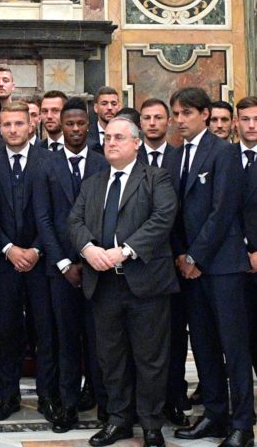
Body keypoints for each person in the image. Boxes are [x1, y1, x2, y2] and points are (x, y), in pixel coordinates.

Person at [69, 117, 178, 447]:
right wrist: (89, 250)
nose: (111, 143)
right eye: (107, 138)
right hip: (104, 284)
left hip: (146, 283)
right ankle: (119, 420)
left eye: (119, 137)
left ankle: (151, 423)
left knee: (150, 358)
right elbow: (74, 221)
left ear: (136, 143)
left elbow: (162, 219)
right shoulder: (93, 182)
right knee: (111, 357)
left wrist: (125, 251)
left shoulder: (156, 177)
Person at [164, 88, 253, 447]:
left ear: (204, 114)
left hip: (222, 266)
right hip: (188, 268)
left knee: (234, 347)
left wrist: (194, 258)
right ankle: (215, 415)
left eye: (186, 113)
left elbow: (223, 210)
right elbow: (170, 212)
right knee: (202, 345)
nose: (179, 120)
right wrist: (180, 255)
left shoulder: (224, 152)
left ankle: (243, 424)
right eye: (176, 114)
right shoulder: (174, 156)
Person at [34, 98, 109, 432]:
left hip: (98, 267)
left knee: (100, 340)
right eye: (70, 124)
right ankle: (67, 406)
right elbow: (43, 218)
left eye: (81, 124)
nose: (75, 129)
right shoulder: (46, 165)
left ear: (88, 126)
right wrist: (64, 263)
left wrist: (91, 258)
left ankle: (105, 404)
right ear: (60, 126)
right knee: (66, 340)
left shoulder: (102, 163)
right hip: (60, 270)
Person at [0, 102, 56, 422]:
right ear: (0, 128)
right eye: (7, 124)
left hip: (41, 262)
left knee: (45, 330)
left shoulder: (50, 162)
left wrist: (37, 249)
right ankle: (8, 395)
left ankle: (48, 396)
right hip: (4, 262)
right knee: (5, 331)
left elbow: (57, 211)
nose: (12, 130)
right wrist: (9, 248)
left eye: (18, 123)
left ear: (31, 125)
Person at [138, 97, 189, 426]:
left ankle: (174, 397)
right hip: (139, 262)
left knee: (175, 335)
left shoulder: (180, 157)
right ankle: (141, 402)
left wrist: (181, 252)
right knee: (143, 340)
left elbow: (183, 213)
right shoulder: (130, 157)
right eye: (147, 118)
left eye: (159, 117)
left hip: (176, 261)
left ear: (168, 121)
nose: (153, 123)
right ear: (140, 123)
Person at [235, 97, 257, 378]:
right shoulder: (224, 157)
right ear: (236, 123)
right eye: (246, 119)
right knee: (242, 336)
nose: (251, 125)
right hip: (233, 261)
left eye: (256, 120)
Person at [88, 87, 121, 154]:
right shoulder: (86, 135)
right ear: (96, 108)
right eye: (104, 103)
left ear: (119, 107)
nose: (109, 108)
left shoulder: (127, 134)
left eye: (113, 104)